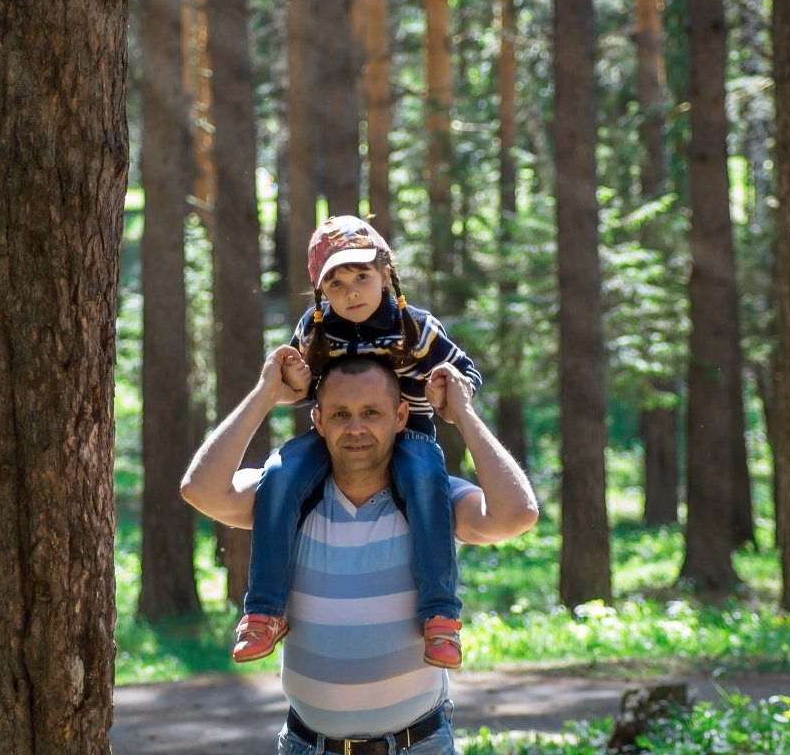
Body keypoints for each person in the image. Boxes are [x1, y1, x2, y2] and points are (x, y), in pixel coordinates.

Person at [180, 352, 538, 755]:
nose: (356, 428)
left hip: (418, 746)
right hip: (307, 746)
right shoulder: (288, 498)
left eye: (371, 412)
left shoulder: (432, 502)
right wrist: (265, 394)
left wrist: (465, 414)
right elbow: (201, 490)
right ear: (317, 420)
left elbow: (517, 514)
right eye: (339, 415)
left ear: (401, 417)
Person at [234, 215, 485, 670]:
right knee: (279, 473)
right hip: (330, 436)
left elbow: (469, 374)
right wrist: (290, 383)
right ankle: (265, 610)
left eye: (361, 277)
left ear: (386, 273)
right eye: (336, 283)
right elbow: (302, 390)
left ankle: (441, 616)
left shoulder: (417, 328)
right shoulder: (315, 329)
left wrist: (447, 386)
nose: (351, 292)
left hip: (409, 435)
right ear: (320, 293)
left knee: (427, 481)